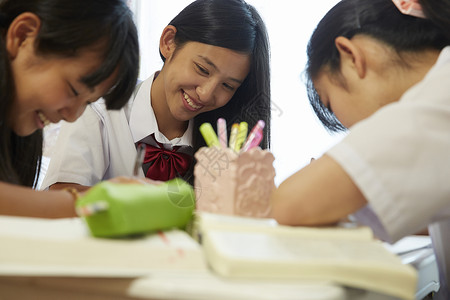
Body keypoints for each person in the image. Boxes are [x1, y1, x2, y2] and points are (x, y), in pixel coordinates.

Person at [269, 0, 450, 297]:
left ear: (351, 56)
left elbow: (289, 204)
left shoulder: (440, 95)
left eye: (329, 100)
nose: (348, 128)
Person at [41, 0, 271, 192]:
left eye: (228, 86)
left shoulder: (227, 142)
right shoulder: (101, 108)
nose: (205, 93)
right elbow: (61, 195)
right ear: (168, 42)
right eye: (202, 69)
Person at [0, 0, 139, 218]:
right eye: (74, 90)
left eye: (88, 102)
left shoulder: (18, 133)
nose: (73, 116)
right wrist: (92, 201)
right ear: (23, 36)